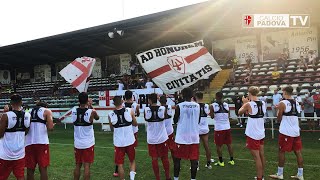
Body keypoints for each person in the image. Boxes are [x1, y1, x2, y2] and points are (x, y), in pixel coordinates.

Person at [269, 86, 304, 180]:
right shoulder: (296, 102)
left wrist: (278, 109)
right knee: (298, 152)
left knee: (281, 151)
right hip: (296, 130)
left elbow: (279, 118)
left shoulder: (283, 102)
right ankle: (300, 174)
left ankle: (280, 173)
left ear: (284, 92)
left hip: (286, 131)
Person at [0, 94, 31, 180]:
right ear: (21, 102)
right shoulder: (28, 115)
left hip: (5, 153)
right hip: (20, 153)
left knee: (2, 176)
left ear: (11, 103)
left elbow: (0, 134)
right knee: (20, 176)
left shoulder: (6, 115)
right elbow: (26, 131)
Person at [238, 86, 266, 180]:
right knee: (261, 155)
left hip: (253, 134)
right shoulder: (262, 103)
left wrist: (244, 103)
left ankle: (259, 178)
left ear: (249, 93)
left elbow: (239, 112)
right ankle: (262, 176)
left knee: (256, 157)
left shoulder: (249, 104)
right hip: (261, 132)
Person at [173, 88, 200, 180]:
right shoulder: (197, 106)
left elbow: (175, 120)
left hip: (181, 136)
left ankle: (176, 178)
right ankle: (193, 179)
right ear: (192, 95)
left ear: (182, 95)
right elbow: (198, 120)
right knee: (194, 160)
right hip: (194, 136)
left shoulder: (179, 106)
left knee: (177, 159)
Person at [108, 96, 137, 180]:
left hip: (119, 142)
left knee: (120, 164)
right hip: (130, 141)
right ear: (122, 101)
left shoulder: (110, 114)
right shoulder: (130, 110)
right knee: (132, 160)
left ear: (113, 103)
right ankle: (132, 179)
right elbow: (135, 124)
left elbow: (111, 128)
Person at [72, 92, 99, 180]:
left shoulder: (74, 110)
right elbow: (97, 117)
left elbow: (80, 109)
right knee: (87, 166)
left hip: (77, 143)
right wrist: (90, 105)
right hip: (88, 143)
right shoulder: (91, 111)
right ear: (87, 100)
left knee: (77, 165)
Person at [113, 90, 140, 177]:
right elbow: (138, 114)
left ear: (124, 97)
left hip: (122, 129)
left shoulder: (122, 105)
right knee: (132, 150)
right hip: (133, 129)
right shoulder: (135, 105)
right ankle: (132, 169)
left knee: (119, 150)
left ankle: (117, 170)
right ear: (132, 96)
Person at [25, 101, 54, 180]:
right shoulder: (46, 111)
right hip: (42, 142)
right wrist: (50, 124)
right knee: (43, 168)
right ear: (45, 106)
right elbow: (50, 128)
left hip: (28, 142)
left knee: (30, 169)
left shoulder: (28, 112)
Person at [144, 93, 171, 180]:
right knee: (165, 158)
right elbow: (165, 117)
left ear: (150, 100)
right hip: (162, 137)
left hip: (151, 139)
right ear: (157, 99)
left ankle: (158, 178)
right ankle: (168, 177)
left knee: (154, 159)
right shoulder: (162, 108)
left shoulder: (146, 109)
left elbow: (146, 118)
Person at [210, 92, 234, 167]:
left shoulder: (212, 105)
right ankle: (232, 160)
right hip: (227, 127)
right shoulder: (226, 105)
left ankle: (221, 161)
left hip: (219, 128)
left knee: (218, 145)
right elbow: (229, 115)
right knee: (229, 144)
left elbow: (212, 116)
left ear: (216, 96)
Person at [194, 92, 213, 169]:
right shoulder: (206, 105)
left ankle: (196, 166)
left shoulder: (194, 105)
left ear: (196, 97)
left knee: (196, 148)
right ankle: (208, 164)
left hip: (196, 128)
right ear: (202, 97)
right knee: (206, 146)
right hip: (204, 128)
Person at [159, 95, 176, 162]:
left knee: (163, 149)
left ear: (160, 101)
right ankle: (175, 162)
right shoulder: (169, 107)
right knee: (172, 148)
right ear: (166, 101)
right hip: (169, 130)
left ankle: (165, 163)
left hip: (162, 132)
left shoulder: (159, 108)